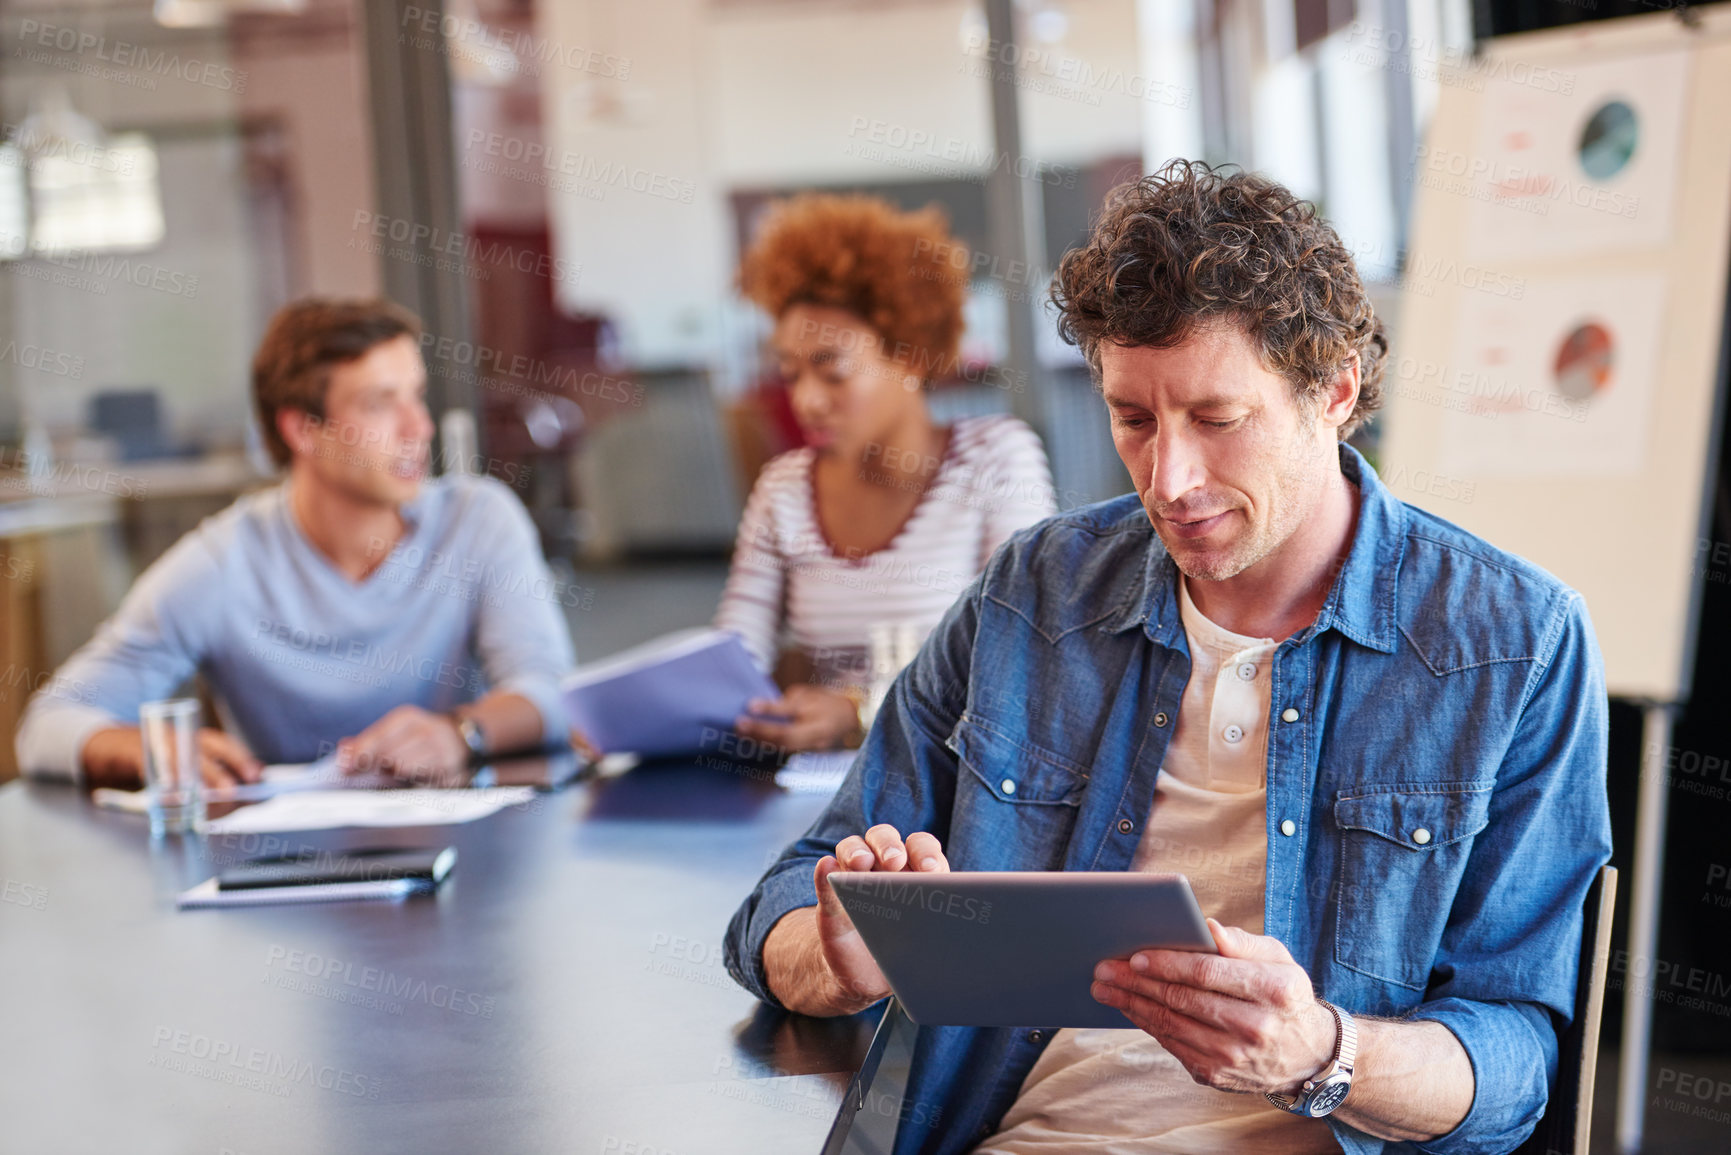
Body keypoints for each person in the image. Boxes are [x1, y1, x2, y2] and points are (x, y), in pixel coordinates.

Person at [724, 162, 1612, 1154]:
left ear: (1335, 392)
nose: (1169, 479)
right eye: (1132, 419)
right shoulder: (1037, 593)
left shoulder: (1512, 643)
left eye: (1217, 420)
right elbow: (784, 905)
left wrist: (1321, 1053)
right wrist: (839, 961)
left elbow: (1518, 1065)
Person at [15, 298, 575, 788]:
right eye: (381, 403)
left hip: (469, 858)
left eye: (416, 396)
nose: (418, 427)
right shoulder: (223, 563)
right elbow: (50, 724)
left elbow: (548, 690)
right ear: (302, 430)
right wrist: (147, 749)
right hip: (284, 872)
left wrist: (463, 734)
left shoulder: (477, 520)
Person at [715, 194, 1056, 753]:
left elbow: (1025, 656)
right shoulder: (783, 488)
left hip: (958, 777)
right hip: (823, 784)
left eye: (832, 372)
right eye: (791, 373)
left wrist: (856, 709)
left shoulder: (995, 458)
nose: (806, 401)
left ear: (912, 356)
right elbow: (736, 652)